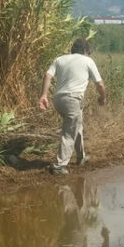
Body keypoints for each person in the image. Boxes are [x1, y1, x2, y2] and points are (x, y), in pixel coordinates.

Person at [39, 38, 107, 175]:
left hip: (58, 99)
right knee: (69, 131)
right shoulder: (88, 61)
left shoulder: (60, 59)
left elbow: (48, 75)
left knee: (77, 126)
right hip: (72, 99)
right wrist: (102, 97)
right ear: (85, 51)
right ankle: (59, 166)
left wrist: (44, 95)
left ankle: (81, 157)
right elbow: (99, 84)